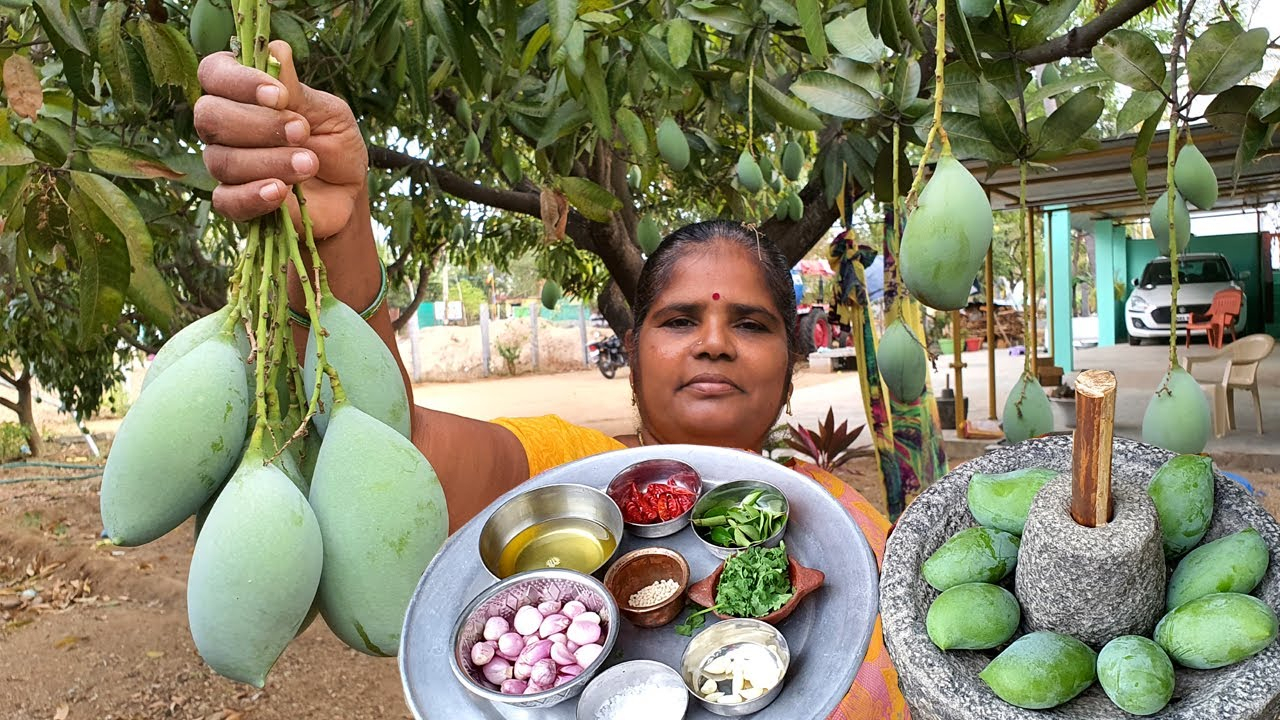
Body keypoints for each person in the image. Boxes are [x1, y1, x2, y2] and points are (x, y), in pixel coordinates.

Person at [194, 42, 909, 719]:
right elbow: (388, 447)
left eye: (752, 325)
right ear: (632, 351)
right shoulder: (561, 475)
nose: (715, 343)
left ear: (790, 358)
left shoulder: (846, 528)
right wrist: (339, 232)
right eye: (680, 321)